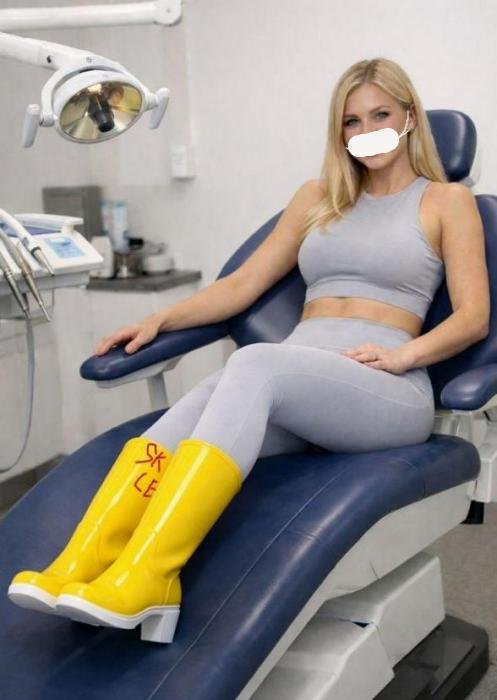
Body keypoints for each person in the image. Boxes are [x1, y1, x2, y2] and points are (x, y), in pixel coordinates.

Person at [8, 57, 490, 644]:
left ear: (409, 117)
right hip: (301, 380)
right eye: (351, 121)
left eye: (380, 115)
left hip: (383, 385)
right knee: (195, 408)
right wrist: (158, 319)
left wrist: (405, 358)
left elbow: (473, 317)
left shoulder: (445, 201)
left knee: (253, 364)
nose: (366, 132)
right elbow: (241, 286)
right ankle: (83, 561)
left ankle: (150, 575)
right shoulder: (318, 197)